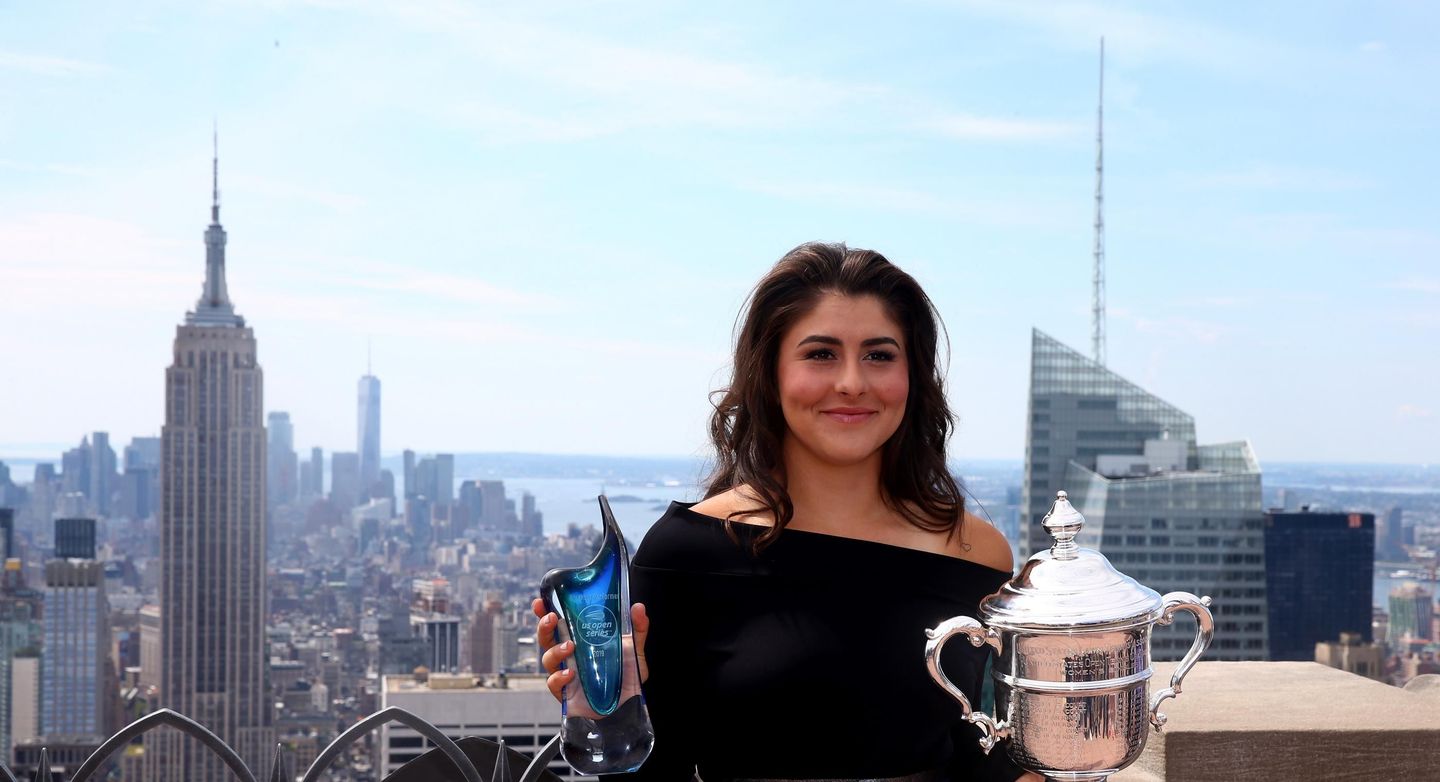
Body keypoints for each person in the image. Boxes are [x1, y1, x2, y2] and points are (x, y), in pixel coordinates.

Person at [534, 242, 1038, 781]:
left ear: (912, 376)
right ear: (770, 375)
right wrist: (603, 710)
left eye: (880, 354)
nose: (851, 381)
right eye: (821, 354)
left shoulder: (974, 552)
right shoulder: (688, 550)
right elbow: (655, 768)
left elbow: (983, 752)